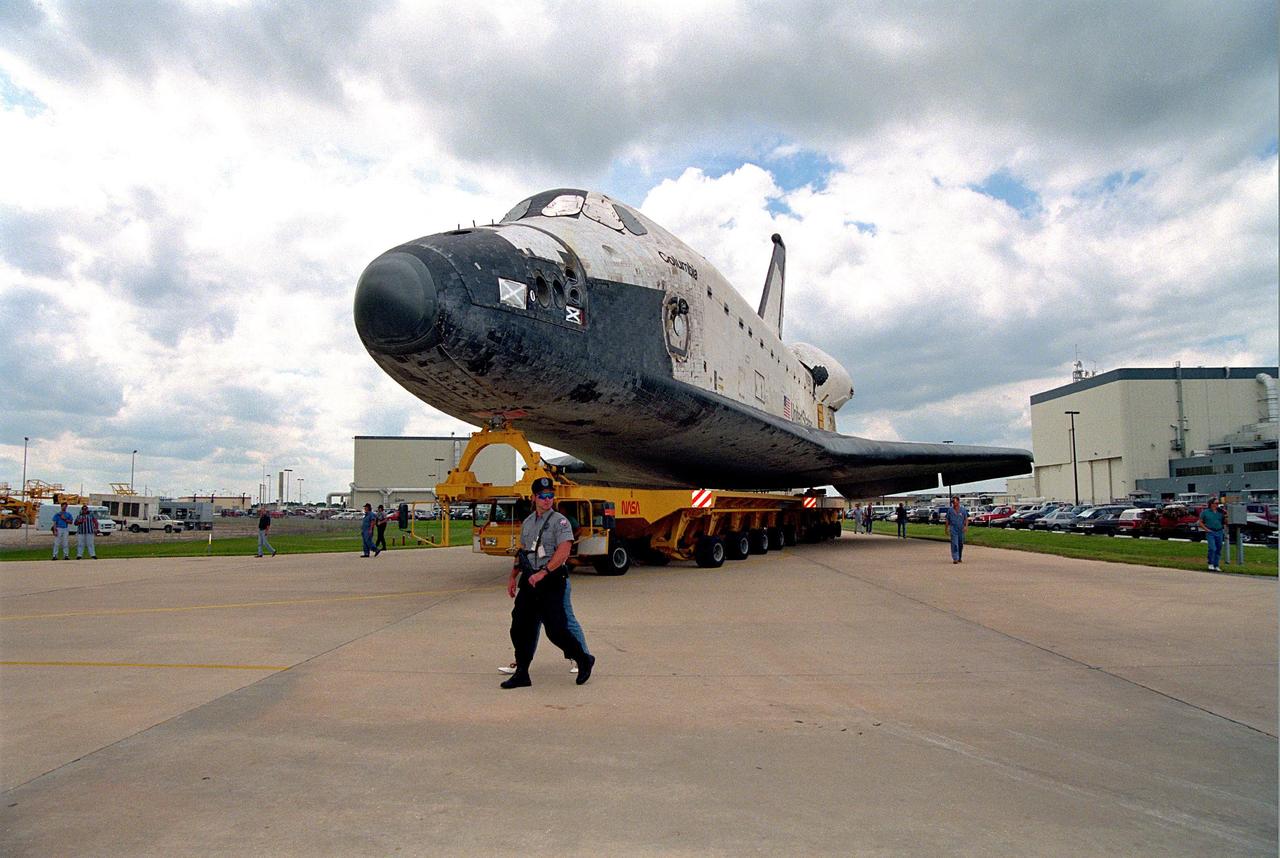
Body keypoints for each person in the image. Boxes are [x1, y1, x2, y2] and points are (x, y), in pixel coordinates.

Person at [501, 476, 594, 689]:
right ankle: (522, 673)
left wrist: (544, 572)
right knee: (519, 625)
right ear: (534, 498)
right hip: (530, 579)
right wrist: (513, 576)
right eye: (543, 496)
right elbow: (523, 550)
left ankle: (583, 658)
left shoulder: (560, 521)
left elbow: (563, 551)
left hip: (551, 580)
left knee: (556, 629)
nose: (547, 499)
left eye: (550, 495)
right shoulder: (528, 522)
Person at [1198, 496, 1227, 572]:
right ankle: (1210, 563)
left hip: (1219, 531)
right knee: (1212, 548)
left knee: (1218, 548)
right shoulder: (1205, 512)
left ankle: (1216, 565)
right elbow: (1200, 522)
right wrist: (1206, 529)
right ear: (1211, 504)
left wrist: (1226, 515)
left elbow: (1225, 522)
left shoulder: (1220, 512)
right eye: (1216, 503)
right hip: (1211, 531)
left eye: (1218, 503)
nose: (1217, 505)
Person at [943, 496, 968, 564]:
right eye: (953, 502)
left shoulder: (963, 510)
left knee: (960, 544)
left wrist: (966, 526)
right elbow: (947, 520)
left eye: (955, 502)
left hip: (961, 529)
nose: (954, 503)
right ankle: (955, 558)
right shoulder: (950, 510)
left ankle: (959, 557)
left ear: (958, 502)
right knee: (954, 544)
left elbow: (966, 519)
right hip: (953, 529)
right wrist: (946, 528)